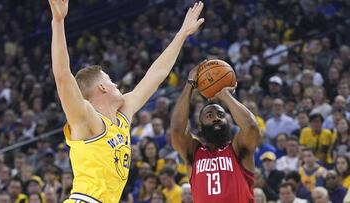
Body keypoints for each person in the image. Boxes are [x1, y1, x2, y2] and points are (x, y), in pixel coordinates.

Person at [48, 0, 205, 202]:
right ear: (102, 88)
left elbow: (157, 73)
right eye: (111, 80)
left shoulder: (123, 116)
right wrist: (58, 21)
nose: (116, 84)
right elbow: (62, 77)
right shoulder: (87, 119)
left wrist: (182, 34)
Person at [170, 62, 260, 202]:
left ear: (228, 121)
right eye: (209, 116)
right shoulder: (193, 153)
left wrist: (225, 96)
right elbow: (176, 130)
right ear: (200, 127)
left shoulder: (238, 150)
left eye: (220, 114)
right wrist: (189, 85)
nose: (216, 118)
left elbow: (251, 127)